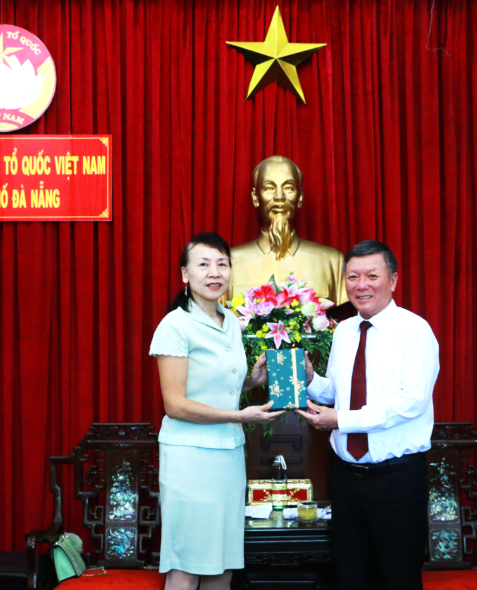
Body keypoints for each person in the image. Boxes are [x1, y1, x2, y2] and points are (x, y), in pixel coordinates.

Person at [296, 240, 440, 590]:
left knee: (397, 578)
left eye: (372, 275)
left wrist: (340, 421)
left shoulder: (415, 331)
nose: (361, 285)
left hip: (396, 480)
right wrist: (311, 377)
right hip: (346, 479)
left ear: (392, 280)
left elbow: (411, 402)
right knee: (350, 576)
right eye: (353, 277)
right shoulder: (345, 330)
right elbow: (336, 393)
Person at [150, 232, 284, 590]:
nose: (214, 272)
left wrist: (252, 381)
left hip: (228, 455)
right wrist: (242, 416)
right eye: (204, 264)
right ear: (185, 274)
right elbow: (175, 404)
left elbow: (218, 389)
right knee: (188, 562)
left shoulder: (230, 322)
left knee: (222, 564)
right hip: (189, 458)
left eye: (222, 264)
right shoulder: (175, 325)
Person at [227, 155, 348, 306]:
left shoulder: (333, 262)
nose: (279, 197)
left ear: (300, 197)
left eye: (289, 188)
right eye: (269, 188)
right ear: (255, 197)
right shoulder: (228, 263)